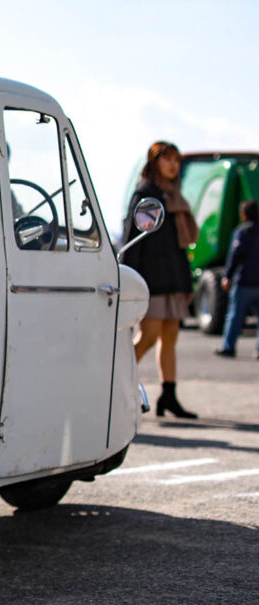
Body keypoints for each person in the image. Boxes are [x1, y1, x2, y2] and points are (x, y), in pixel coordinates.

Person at [120, 141, 199, 419]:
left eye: (176, 160)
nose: (173, 165)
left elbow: (180, 247)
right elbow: (134, 238)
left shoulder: (173, 195)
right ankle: (114, 380)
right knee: (150, 335)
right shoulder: (146, 193)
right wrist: (130, 279)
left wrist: (187, 284)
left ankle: (169, 395)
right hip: (151, 279)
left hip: (174, 278)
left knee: (170, 337)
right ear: (154, 162)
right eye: (167, 159)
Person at [214, 199, 259, 359]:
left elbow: (236, 255)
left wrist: (228, 276)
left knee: (235, 316)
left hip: (244, 282)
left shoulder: (242, 231)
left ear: (244, 214)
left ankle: (229, 347)